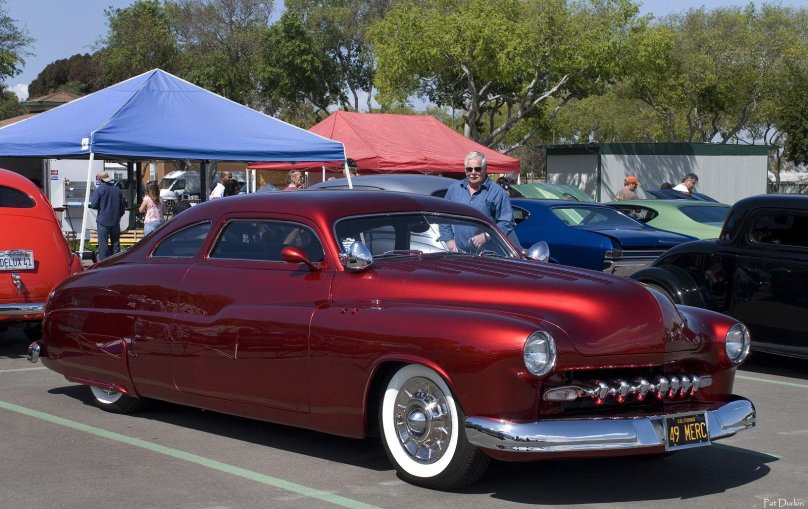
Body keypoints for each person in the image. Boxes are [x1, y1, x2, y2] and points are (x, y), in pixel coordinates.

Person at [439, 151, 515, 252]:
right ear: (465, 170)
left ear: (485, 169)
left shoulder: (498, 193)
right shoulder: (454, 189)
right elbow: (443, 216)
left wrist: (487, 235)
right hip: (458, 254)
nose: (473, 172)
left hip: (488, 255)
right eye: (469, 169)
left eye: (477, 169)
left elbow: (507, 222)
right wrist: (449, 240)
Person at [89, 171, 126, 260]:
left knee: (103, 245)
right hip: (115, 221)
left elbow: (93, 204)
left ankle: (103, 265)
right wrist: (118, 216)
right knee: (116, 244)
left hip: (103, 221)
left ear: (100, 179)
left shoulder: (99, 189)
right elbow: (122, 207)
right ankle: (116, 263)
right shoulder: (117, 190)